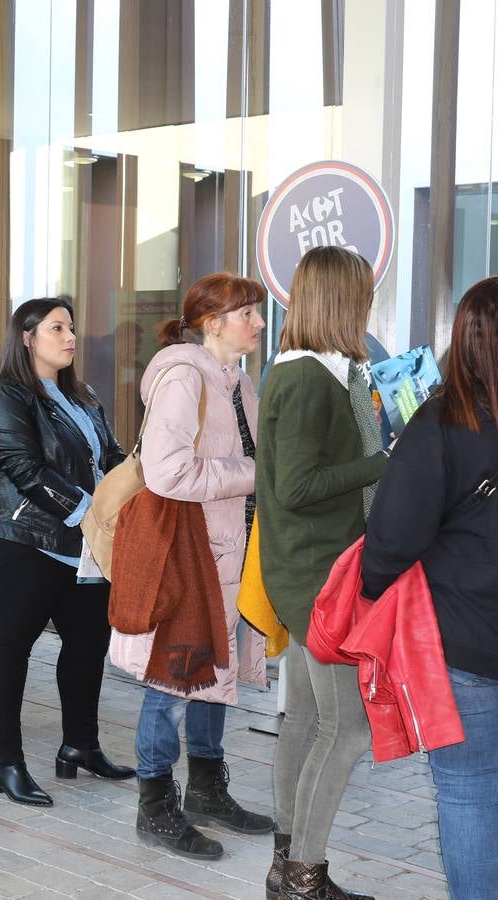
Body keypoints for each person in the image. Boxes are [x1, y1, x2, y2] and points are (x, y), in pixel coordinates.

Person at [110, 274, 274, 860]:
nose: (257, 322)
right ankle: (154, 805)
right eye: (246, 313)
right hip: (188, 556)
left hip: (228, 552)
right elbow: (167, 471)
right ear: (212, 322)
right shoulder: (185, 377)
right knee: (172, 681)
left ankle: (205, 790)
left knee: (213, 673)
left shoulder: (239, 382)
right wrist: (255, 474)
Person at [361, 278, 498, 900]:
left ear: (464, 339)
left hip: (464, 645)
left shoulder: (442, 422)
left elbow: (392, 538)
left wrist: (372, 593)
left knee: (468, 794)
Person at [256, 246, 386, 900]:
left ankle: (289, 866)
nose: (369, 304)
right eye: (363, 293)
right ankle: (303, 874)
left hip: (309, 573)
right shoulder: (309, 379)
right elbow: (301, 486)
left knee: (306, 721)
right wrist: (384, 463)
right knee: (346, 729)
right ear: (343, 300)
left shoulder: (317, 372)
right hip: (318, 577)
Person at [0, 297, 134, 807]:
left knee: (87, 645)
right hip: (22, 540)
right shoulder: (7, 395)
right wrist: (89, 510)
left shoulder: (82, 396)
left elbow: (108, 455)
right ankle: (5, 765)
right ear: (27, 336)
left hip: (82, 544)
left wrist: (129, 486)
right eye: (57, 327)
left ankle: (80, 746)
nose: (70, 337)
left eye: (72, 326)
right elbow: (23, 468)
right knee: (8, 649)